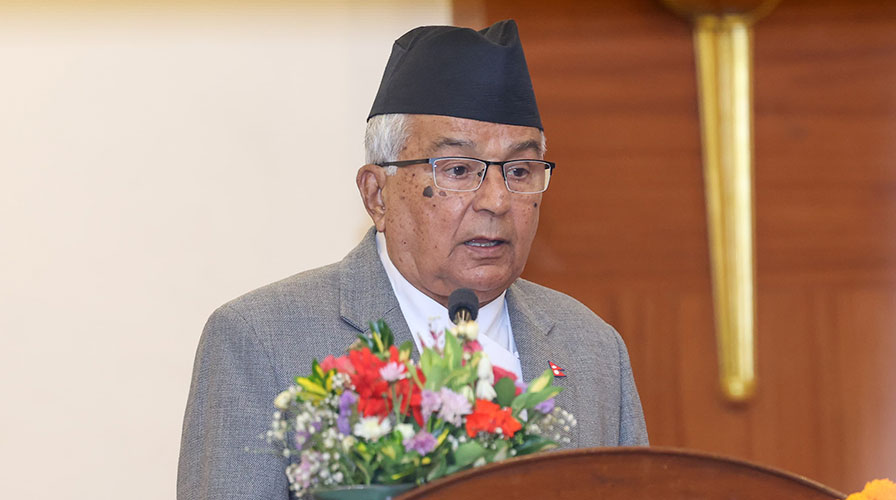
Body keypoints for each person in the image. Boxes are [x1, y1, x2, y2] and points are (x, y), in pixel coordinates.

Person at [177, 19, 648, 500]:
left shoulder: (593, 348)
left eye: (520, 171)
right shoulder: (262, 341)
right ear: (377, 195)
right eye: (459, 170)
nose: (497, 201)